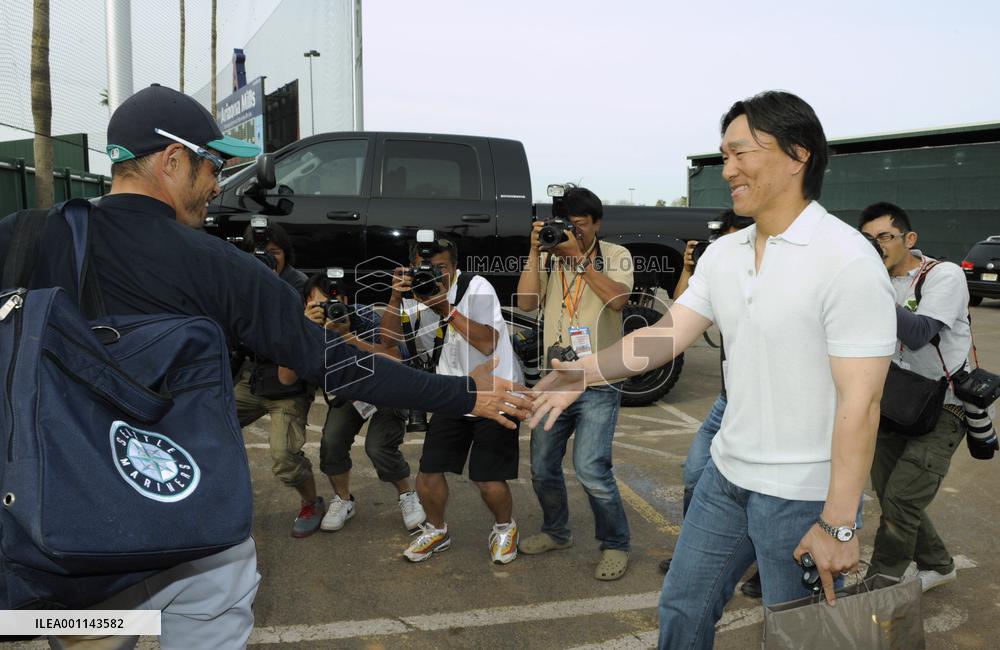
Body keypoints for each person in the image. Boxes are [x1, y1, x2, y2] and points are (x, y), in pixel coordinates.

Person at [0, 83, 531, 650]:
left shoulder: (20, 238)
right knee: (213, 613)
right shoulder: (219, 266)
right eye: (212, 167)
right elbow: (337, 366)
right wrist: (467, 395)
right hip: (190, 522)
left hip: (69, 524)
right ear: (173, 161)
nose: (215, 186)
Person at [530, 90, 897, 648]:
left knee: (798, 636)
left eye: (740, 153)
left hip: (800, 495)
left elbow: (861, 402)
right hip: (725, 479)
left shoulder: (845, 258)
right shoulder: (727, 254)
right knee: (681, 607)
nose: (727, 170)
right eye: (723, 156)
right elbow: (662, 336)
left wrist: (839, 524)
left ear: (799, 155)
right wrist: (582, 373)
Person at [515, 186, 634, 581]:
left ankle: (615, 544)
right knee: (543, 467)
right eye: (567, 227)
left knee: (591, 469)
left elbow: (618, 301)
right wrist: (536, 251)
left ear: (597, 223)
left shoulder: (615, 255)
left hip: (599, 379)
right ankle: (556, 531)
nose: (573, 234)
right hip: (555, 378)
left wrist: (580, 260)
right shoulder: (550, 256)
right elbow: (527, 302)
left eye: (580, 226)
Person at [380, 237, 524, 565]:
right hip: (453, 392)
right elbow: (387, 341)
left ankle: (505, 527)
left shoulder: (477, 287)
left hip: (496, 389)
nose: (434, 275)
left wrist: (445, 308)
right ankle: (437, 529)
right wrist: (395, 295)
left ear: (454, 267)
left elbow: (488, 343)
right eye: (426, 268)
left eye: (441, 268)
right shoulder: (415, 293)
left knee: (487, 479)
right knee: (428, 473)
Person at [858, 201, 972, 592]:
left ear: (909, 239)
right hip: (895, 403)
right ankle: (939, 565)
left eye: (884, 237)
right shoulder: (874, 282)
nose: (877, 246)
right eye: (867, 240)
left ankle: (880, 583)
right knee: (892, 495)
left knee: (903, 500)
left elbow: (920, 333)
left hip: (945, 406)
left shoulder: (945, 275)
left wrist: (870, 288)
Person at [658, 210, 763, 600]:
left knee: (763, 491)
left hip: (765, 404)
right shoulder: (719, 273)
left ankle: (768, 568)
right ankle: (693, 552)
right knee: (695, 473)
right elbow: (677, 313)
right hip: (727, 400)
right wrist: (692, 267)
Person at [298, 271, 427, 532]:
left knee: (378, 446)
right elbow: (291, 372)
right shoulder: (305, 326)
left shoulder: (362, 315)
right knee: (331, 442)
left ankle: (406, 494)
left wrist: (346, 337)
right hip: (351, 392)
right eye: (319, 306)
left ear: (345, 300)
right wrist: (305, 331)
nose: (329, 310)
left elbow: (394, 358)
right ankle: (344, 500)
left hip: (386, 387)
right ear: (306, 306)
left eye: (332, 304)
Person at [233, 222, 320, 538]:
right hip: (252, 377)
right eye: (260, 254)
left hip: (288, 383)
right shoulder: (241, 282)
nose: (268, 260)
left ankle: (311, 501)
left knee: (283, 455)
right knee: (207, 423)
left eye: (274, 253)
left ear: (286, 254)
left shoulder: (300, 286)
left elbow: (309, 337)